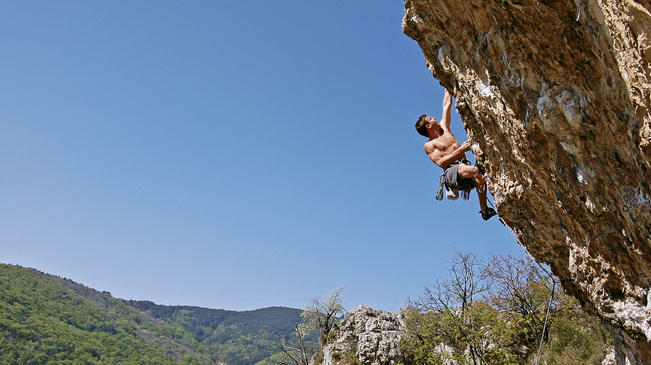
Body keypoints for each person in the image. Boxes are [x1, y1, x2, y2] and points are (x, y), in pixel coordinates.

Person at [415, 88, 497, 221]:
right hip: (452, 173)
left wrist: (447, 87)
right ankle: (478, 168)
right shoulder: (429, 145)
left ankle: (484, 211)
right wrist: (460, 150)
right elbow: (441, 163)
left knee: (480, 178)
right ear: (428, 126)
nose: (435, 118)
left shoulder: (444, 128)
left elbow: (446, 105)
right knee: (473, 170)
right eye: (431, 118)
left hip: (464, 167)